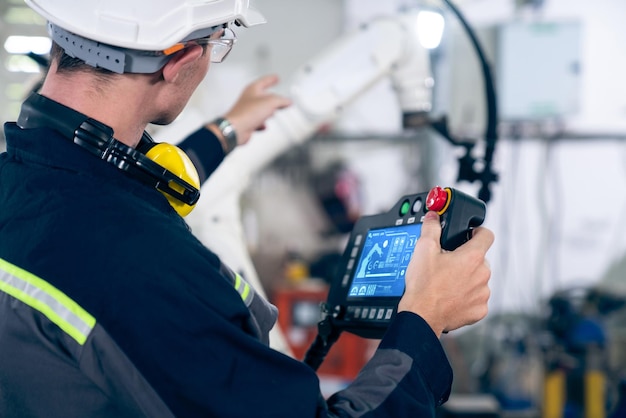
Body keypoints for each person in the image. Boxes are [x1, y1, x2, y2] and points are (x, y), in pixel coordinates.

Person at [0, 1, 495, 417]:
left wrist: (229, 128)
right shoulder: (142, 269)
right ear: (180, 59)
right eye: (218, 42)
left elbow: (149, 176)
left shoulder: (26, 181)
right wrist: (425, 322)